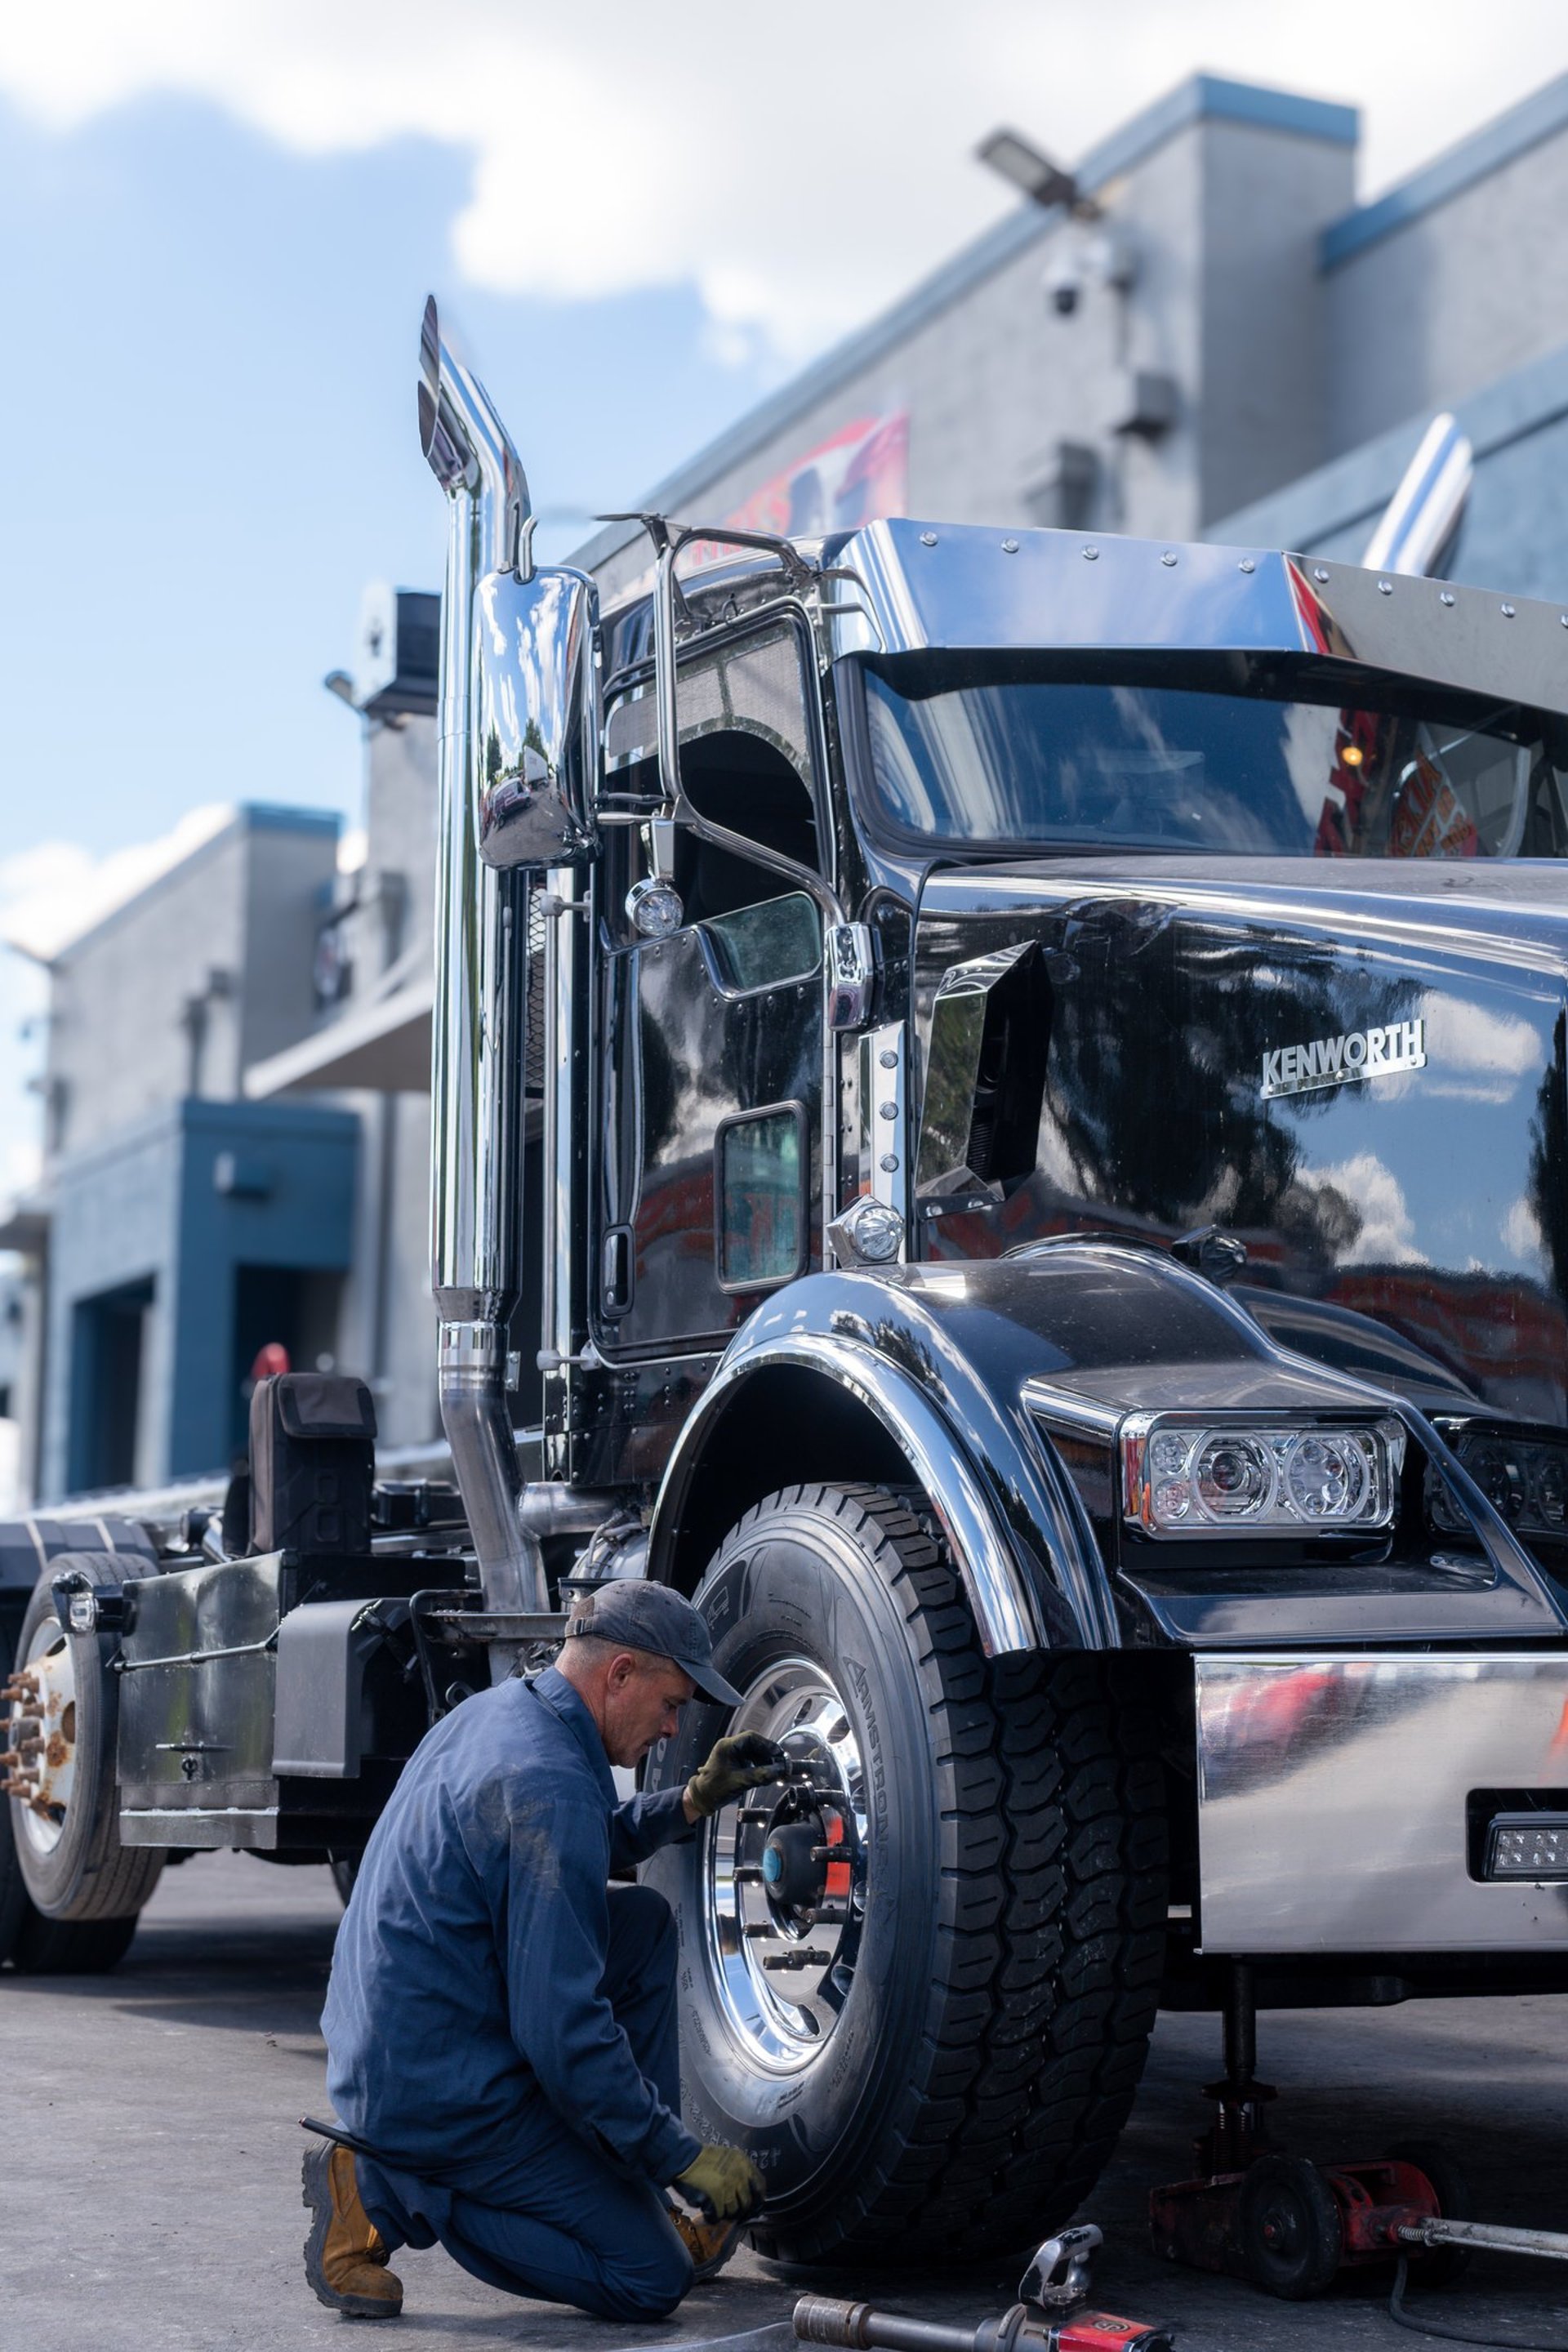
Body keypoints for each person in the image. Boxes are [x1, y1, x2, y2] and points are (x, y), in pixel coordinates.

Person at [302, 1580, 787, 2323]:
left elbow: (574, 1843)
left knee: (643, 1924)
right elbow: (561, 2032)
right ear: (619, 1673)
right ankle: (386, 2189)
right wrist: (679, 2156)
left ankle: (632, 2180)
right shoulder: (547, 1780)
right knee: (650, 2277)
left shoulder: (509, 1715)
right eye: (671, 1704)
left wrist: (689, 1800)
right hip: (439, 2096)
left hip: (411, 2030)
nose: (672, 1727)